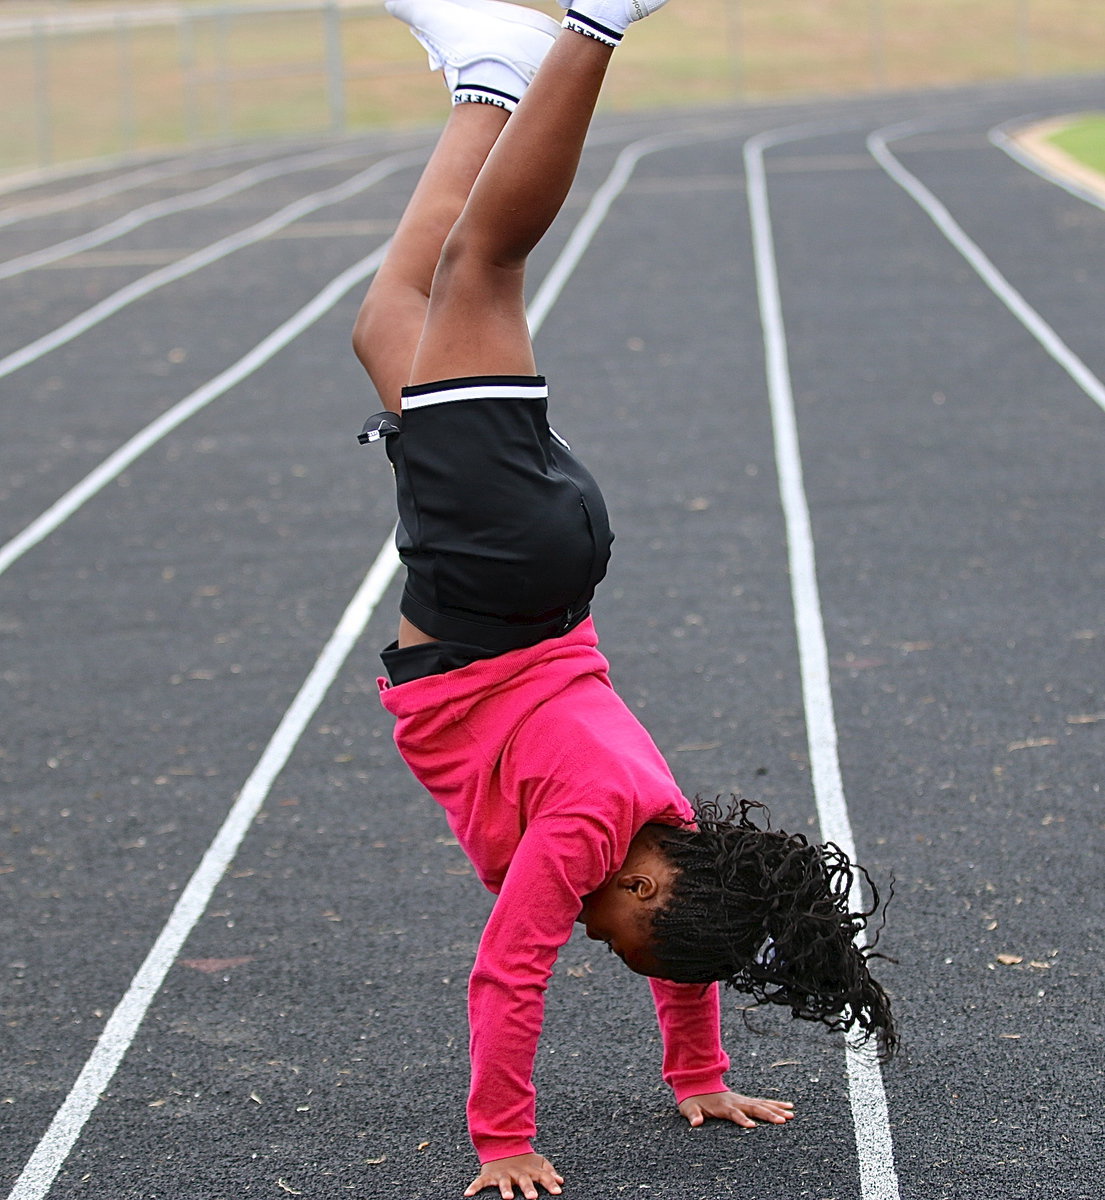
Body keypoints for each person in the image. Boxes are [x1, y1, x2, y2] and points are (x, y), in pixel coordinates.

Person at [351, 1, 898, 1196]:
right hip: (495, 574)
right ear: (646, 883)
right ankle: (593, 24)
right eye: (622, 933)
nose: (600, 938)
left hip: (529, 573)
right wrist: (504, 1140)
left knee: (390, 319)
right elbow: (508, 974)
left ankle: (490, 87)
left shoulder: (666, 831)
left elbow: (687, 955)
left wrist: (698, 1074)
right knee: (483, 267)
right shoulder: (587, 839)